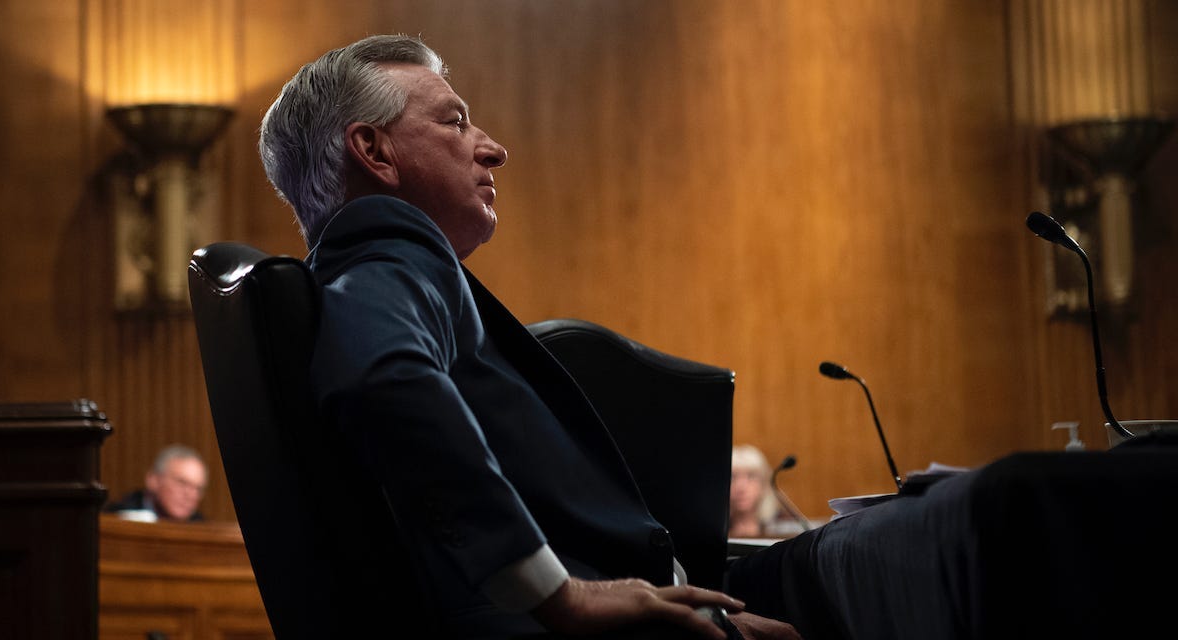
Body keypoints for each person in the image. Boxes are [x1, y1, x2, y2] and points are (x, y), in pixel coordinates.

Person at [258, 34, 800, 640]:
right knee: (911, 538)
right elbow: (382, 377)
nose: (494, 150)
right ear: (374, 151)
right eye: (456, 122)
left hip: (665, 595)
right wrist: (556, 595)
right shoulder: (389, 252)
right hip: (600, 619)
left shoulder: (369, 266)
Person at [105, 444, 208, 523]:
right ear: (153, 480)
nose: (190, 495)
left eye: (198, 489)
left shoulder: (202, 528)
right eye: (181, 483)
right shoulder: (116, 518)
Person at [728, 445, 781, 539]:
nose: (741, 487)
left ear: (764, 484)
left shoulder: (781, 529)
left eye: (751, 476)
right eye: (732, 477)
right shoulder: (709, 534)